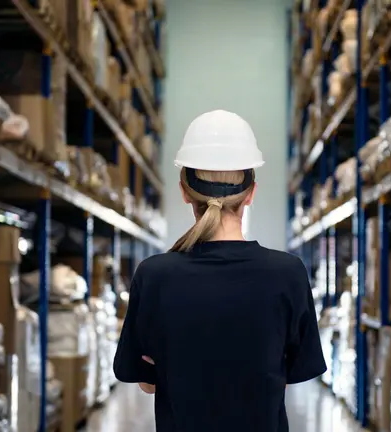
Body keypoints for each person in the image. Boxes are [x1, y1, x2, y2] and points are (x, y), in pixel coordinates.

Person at [113, 110, 326, 432]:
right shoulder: (288, 273)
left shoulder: (154, 275)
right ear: (251, 192)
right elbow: (285, 377)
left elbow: (147, 383)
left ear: (185, 191)